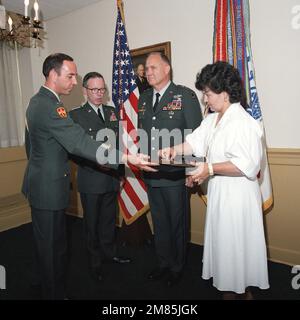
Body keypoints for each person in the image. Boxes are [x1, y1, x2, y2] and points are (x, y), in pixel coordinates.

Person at [22, 53, 152, 299]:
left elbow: (32, 145)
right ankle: (54, 293)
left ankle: (43, 282)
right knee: (52, 248)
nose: (73, 81)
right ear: (53, 74)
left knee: (49, 245)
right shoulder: (49, 105)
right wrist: (125, 158)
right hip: (47, 188)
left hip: (44, 183)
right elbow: (79, 142)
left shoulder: (38, 102)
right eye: (70, 75)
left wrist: (39, 168)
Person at [159, 61, 269, 299]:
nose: (205, 100)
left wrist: (208, 168)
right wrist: (172, 150)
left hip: (238, 197)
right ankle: (234, 291)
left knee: (235, 253)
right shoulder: (213, 119)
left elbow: (247, 165)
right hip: (221, 193)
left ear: (225, 92)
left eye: (208, 94)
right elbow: (194, 142)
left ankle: (238, 293)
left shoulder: (243, 122)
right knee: (226, 253)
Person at [133, 52, 203, 287]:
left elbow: (196, 136)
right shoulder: (143, 99)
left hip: (175, 175)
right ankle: (163, 263)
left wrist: (191, 172)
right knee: (160, 223)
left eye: (152, 67)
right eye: (146, 68)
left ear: (167, 69)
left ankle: (177, 266)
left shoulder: (185, 96)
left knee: (177, 223)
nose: (147, 72)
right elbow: (143, 134)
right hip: (152, 174)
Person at [69, 72, 130, 282]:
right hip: (92, 178)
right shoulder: (75, 115)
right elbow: (74, 150)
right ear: (85, 91)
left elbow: (119, 145)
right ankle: (94, 262)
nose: (98, 93)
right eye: (94, 89)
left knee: (108, 220)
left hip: (112, 177)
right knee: (92, 223)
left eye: (102, 89)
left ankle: (110, 254)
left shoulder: (112, 112)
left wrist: (120, 173)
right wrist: (98, 164)